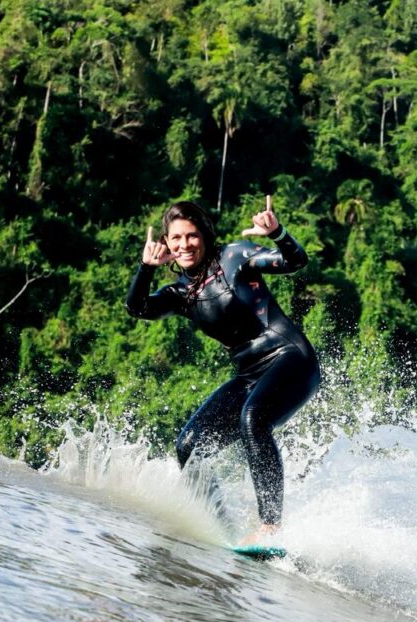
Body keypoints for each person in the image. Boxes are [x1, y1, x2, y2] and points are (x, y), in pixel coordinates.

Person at [125, 196, 320, 544]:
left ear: (205, 235)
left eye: (192, 235)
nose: (185, 244)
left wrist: (278, 233)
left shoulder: (234, 258)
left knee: (252, 419)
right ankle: (222, 525)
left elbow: (295, 260)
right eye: (177, 238)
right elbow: (138, 308)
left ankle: (271, 527)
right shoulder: (180, 292)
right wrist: (146, 268)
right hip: (249, 375)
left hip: (291, 358)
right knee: (189, 445)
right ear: (167, 244)